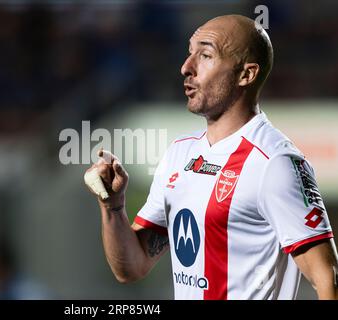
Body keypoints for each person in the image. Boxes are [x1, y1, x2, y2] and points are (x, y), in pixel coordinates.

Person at [84, 14, 338, 300]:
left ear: (246, 74)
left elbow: (327, 278)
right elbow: (131, 267)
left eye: (205, 55)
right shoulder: (180, 153)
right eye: (189, 52)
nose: (186, 67)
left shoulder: (275, 162)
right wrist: (113, 206)